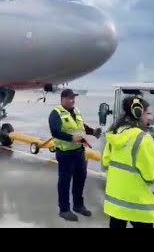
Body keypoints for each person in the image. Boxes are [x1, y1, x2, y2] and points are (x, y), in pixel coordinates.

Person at [102, 96, 154, 228]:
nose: (150, 118)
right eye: (148, 114)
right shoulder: (143, 139)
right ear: (138, 113)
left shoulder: (114, 134)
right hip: (137, 203)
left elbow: (105, 163)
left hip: (116, 201)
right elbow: (150, 175)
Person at [48, 89, 102, 222]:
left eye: (73, 98)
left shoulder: (76, 111)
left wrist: (92, 131)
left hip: (79, 152)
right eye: (69, 98)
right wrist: (71, 138)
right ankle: (64, 209)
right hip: (65, 153)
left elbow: (81, 127)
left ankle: (78, 205)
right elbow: (55, 132)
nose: (72, 100)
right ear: (63, 99)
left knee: (80, 178)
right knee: (65, 181)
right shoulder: (55, 114)